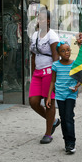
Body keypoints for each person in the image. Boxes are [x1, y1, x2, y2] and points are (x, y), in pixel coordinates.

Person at [29, 8, 60, 144]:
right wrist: (32, 73)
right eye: (38, 18)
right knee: (33, 102)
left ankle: (48, 133)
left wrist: (55, 77)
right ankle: (52, 120)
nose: (39, 20)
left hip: (48, 71)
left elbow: (55, 56)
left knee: (49, 103)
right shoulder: (35, 35)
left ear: (48, 21)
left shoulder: (52, 36)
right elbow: (33, 55)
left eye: (42, 18)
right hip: (38, 72)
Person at [46, 41, 81, 154]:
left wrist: (77, 86)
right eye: (63, 51)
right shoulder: (56, 65)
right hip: (59, 95)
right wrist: (48, 97)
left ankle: (71, 143)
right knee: (63, 118)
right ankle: (67, 143)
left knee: (68, 117)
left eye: (68, 50)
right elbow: (52, 81)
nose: (66, 52)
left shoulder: (75, 64)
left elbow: (80, 78)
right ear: (59, 53)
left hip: (70, 94)